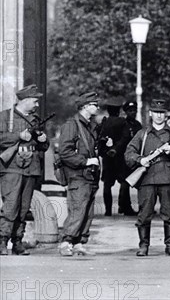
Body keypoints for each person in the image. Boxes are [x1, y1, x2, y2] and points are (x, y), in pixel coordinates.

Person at [125, 99, 170, 257]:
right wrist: (141, 160)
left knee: (169, 213)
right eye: (156, 113)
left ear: (166, 114)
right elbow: (129, 154)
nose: (159, 116)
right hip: (147, 178)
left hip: (167, 177)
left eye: (162, 113)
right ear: (150, 114)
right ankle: (144, 246)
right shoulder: (143, 134)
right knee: (144, 213)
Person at [0, 85, 49, 256]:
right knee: (10, 205)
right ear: (25, 100)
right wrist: (17, 137)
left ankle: (17, 240)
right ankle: (3, 240)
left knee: (24, 207)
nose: (36, 105)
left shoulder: (35, 120)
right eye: (34, 101)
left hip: (31, 168)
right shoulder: (5, 117)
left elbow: (43, 147)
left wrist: (43, 140)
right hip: (11, 168)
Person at [57, 92, 102, 256]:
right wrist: (85, 161)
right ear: (85, 106)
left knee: (88, 211)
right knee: (78, 209)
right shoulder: (72, 125)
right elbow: (65, 152)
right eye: (95, 104)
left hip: (89, 175)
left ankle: (79, 243)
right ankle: (66, 242)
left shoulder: (90, 126)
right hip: (78, 174)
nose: (97, 107)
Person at [97, 97, 129, 216]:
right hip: (120, 157)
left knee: (107, 184)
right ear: (118, 110)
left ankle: (108, 210)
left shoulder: (104, 123)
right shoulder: (123, 122)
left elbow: (99, 139)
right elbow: (126, 138)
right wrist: (116, 149)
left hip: (107, 158)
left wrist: (106, 150)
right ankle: (122, 204)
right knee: (124, 182)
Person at [118, 101, 143, 214]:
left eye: (134, 110)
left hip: (136, 157)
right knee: (125, 183)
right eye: (130, 111)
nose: (133, 113)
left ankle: (143, 207)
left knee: (140, 181)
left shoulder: (138, 125)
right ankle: (124, 206)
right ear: (126, 112)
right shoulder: (123, 124)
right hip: (123, 158)